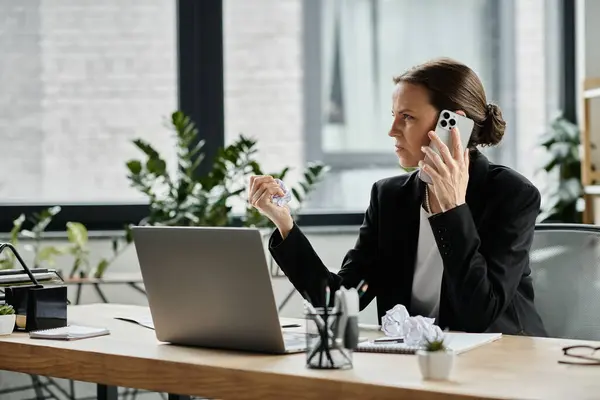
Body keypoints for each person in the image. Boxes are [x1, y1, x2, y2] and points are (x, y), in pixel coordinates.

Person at [248, 58, 547, 336]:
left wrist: (453, 208)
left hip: (501, 363)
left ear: (453, 125)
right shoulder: (389, 198)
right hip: (414, 367)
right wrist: (284, 223)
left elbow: (480, 314)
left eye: (407, 117)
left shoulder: (512, 195)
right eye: (394, 116)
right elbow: (341, 301)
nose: (392, 131)